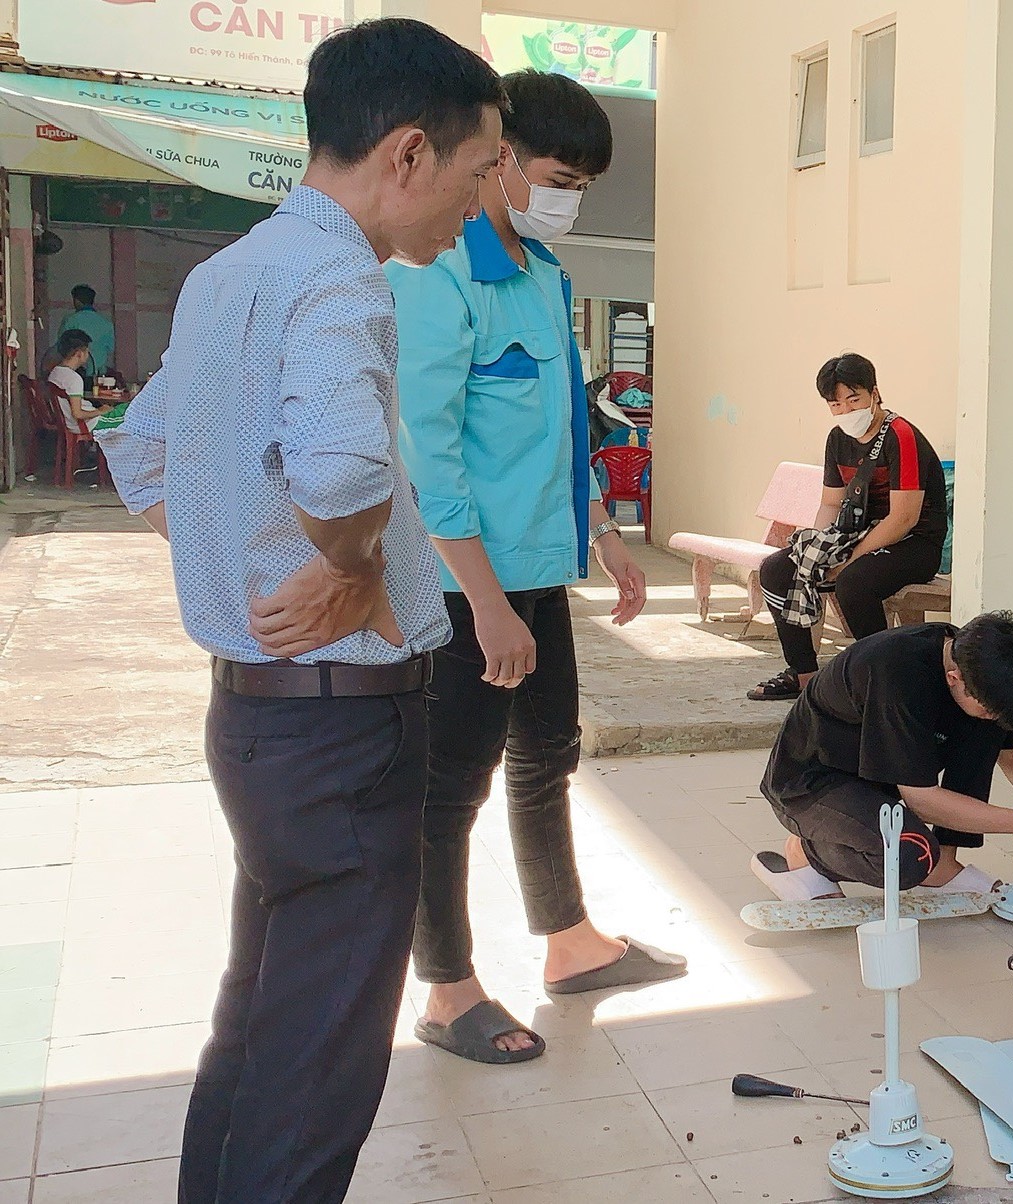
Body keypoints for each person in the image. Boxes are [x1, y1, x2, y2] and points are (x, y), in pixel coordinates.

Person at [95, 20, 506, 1203]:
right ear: (411, 154)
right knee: (320, 1061)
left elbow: (144, 447)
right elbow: (337, 473)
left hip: (261, 726)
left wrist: (235, 556)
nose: (477, 209)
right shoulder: (339, 281)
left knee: (264, 1020)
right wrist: (355, 562)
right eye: (480, 175)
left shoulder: (234, 270)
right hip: (338, 733)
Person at [387, 68, 685, 1066]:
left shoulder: (548, 276)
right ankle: (445, 987)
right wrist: (483, 602)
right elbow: (426, 454)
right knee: (448, 786)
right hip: (461, 580)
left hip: (537, 568)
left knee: (548, 750)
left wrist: (602, 533)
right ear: (497, 157)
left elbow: (559, 428)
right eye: (561, 176)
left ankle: (568, 941)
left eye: (585, 186)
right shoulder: (436, 272)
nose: (570, 199)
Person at [752, 612, 1013, 899]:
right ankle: (808, 853)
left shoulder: (979, 665)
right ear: (954, 678)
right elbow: (922, 800)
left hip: (873, 781)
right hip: (812, 784)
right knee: (911, 856)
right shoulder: (897, 670)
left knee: (983, 730)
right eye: (987, 707)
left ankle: (943, 865)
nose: (992, 715)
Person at [747, 352, 949, 701]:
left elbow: (904, 518)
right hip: (857, 535)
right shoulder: (837, 439)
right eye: (835, 404)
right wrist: (817, 549)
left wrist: (849, 559)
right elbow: (831, 503)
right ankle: (805, 675)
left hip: (912, 542)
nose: (846, 411)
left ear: (874, 393)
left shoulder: (900, 436)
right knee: (779, 569)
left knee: (854, 582)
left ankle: (880, 678)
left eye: (853, 399)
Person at [46, 329, 115, 432]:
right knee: (130, 413)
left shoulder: (55, 372)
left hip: (68, 423)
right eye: (87, 351)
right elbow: (77, 414)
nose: (88, 354)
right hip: (88, 423)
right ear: (79, 353)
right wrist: (100, 411)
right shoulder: (74, 379)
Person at [57, 283, 115, 378]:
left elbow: (61, 347)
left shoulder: (70, 320)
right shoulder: (106, 322)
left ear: (77, 300)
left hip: (75, 372)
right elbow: (110, 348)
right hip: (99, 374)